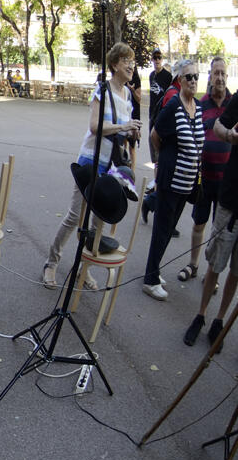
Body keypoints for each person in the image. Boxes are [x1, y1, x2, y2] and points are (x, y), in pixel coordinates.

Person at [41, 43, 140, 291]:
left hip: (112, 168)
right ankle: (51, 263)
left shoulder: (128, 95)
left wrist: (131, 134)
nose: (131, 65)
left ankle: (82, 270)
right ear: (115, 64)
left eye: (133, 61)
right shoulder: (102, 91)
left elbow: (124, 135)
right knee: (76, 216)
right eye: (126, 60)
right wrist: (122, 127)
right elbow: (95, 126)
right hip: (91, 162)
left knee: (98, 222)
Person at [142, 60, 204, 300]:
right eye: (188, 77)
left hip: (186, 184)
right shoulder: (175, 105)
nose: (193, 81)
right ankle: (149, 279)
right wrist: (162, 163)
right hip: (171, 180)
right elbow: (155, 136)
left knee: (168, 230)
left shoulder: (196, 107)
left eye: (196, 76)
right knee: (161, 230)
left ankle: (154, 272)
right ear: (179, 79)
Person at [187, 79, 238, 348]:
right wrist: (230, 135)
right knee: (216, 264)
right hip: (230, 200)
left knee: (236, 272)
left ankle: (219, 320)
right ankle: (201, 315)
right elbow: (220, 125)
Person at [179, 57, 231, 284]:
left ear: (227, 77)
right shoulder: (201, 104)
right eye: (215, 73)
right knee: (199, 223)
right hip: (204, 178)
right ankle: (193, 264)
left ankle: (212, 275)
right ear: (209, 76)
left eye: (223, 73)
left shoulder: (234, 104)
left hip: (227, 181)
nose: (219, 77)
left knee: (218, 229)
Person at [149, 49, 172, 159]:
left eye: (159, 58)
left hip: (162, 114)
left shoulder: (167, 76)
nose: (157, 60)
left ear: (162, 59)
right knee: (152, 147)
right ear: (152, 60)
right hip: (152, 114)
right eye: (155, 58)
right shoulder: (151, 75)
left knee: (160, 145)